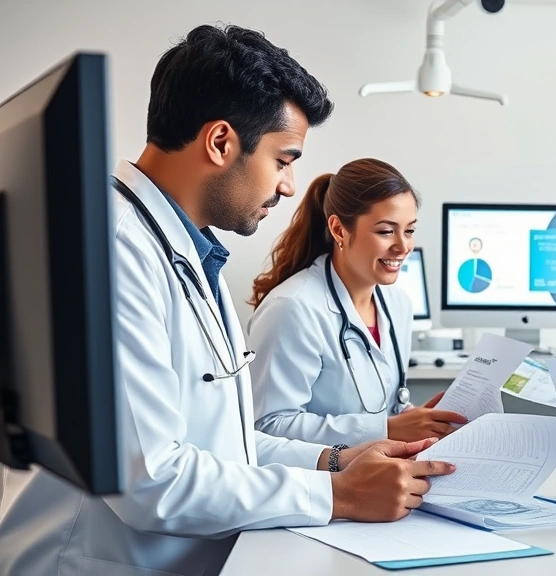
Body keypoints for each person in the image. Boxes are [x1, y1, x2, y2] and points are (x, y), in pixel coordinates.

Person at [0, 25, 453, 576]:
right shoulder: (115, 251)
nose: (290, 186)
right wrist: (338, 495)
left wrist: (336, 461)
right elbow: (152, 481)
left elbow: (219, 446)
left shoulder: (187, 251)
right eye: (284, 159)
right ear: (220, 143)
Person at [247, 159, 467, 446]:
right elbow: (267, 425)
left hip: (379, 470)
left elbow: (382, 408)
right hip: (319, 483)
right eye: (386, 231)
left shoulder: (397, 303)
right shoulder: (293, 308)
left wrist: (421, 421)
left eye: (409, 230)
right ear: (339, 230)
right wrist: (386, 429)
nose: (403, 247)